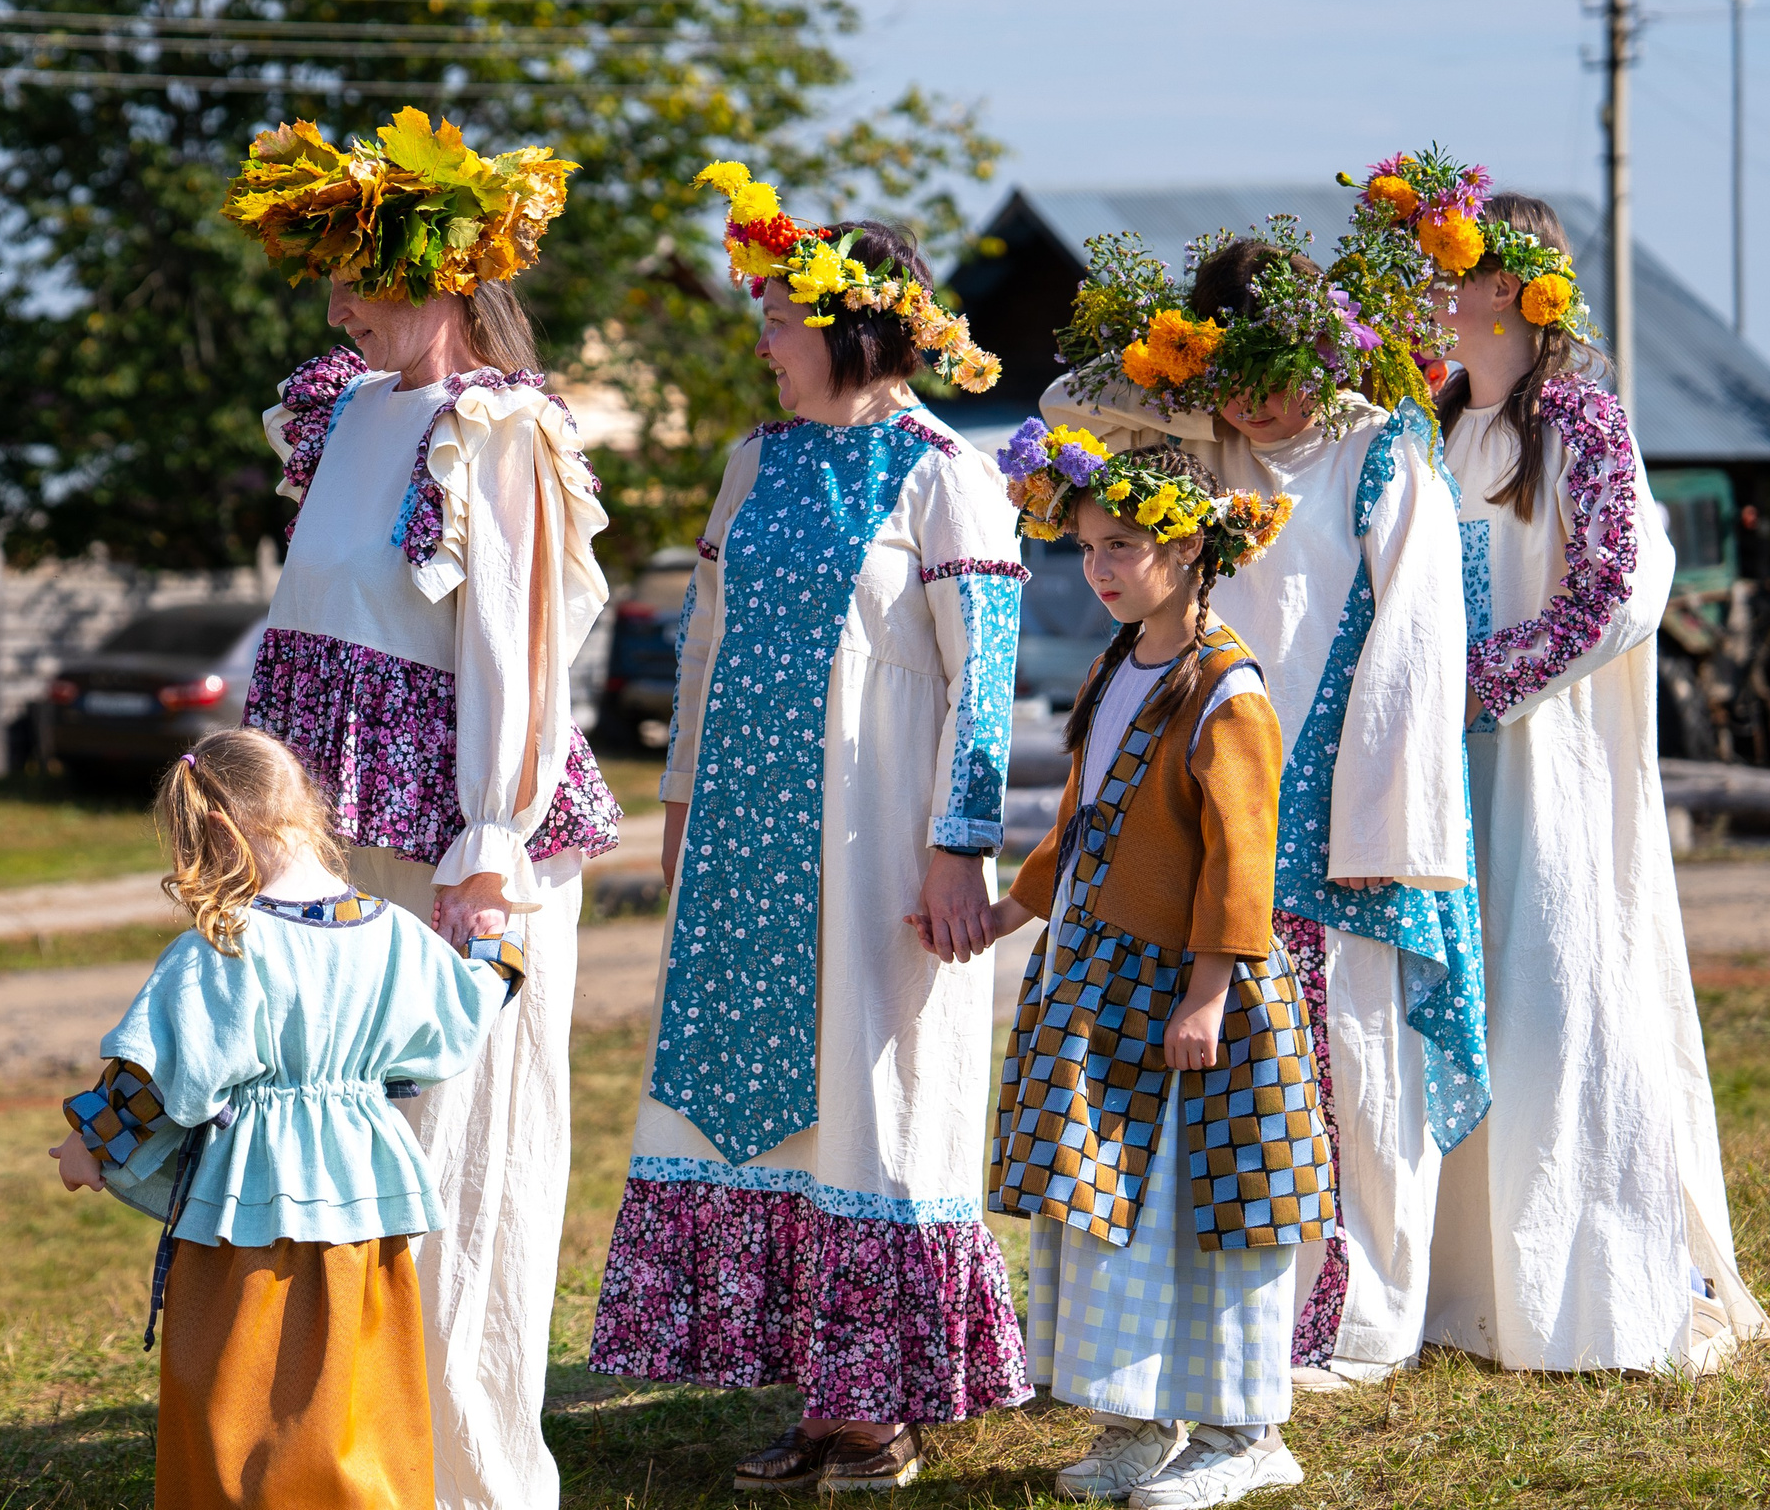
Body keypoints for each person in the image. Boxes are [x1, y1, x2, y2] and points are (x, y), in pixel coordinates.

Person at [588, 163, 1027, 1493]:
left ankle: (876, 1408)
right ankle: (817, 1399)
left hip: (884, 840)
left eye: (781, 317)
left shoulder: (947, 476)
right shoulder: (753, 464)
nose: (764, 339)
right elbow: (703, 645)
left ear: (850, 327)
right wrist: (676, 803)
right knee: (778, 1110)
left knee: (876, 1095)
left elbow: (986, 673)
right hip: (749, 838)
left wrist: (961, 844)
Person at [216, 112, 620, 1507]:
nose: (337, 304)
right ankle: (355, 1458)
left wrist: (492, 845)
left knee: (453, 1146)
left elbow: (517, 644)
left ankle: (469, 1474)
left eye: (361, 275)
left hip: (454, 840)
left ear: (448, 277)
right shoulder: (341, 410)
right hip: (335, 834)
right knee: (332, 1137)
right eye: (326, 274)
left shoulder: (494, 428)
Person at [1035, 208, 1481, 1389]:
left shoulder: (1383, 446)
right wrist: (1179, 372)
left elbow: (1419, 640)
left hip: (1345, 804)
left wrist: (1375, 820)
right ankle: (1248, 1316)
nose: (1253, 408)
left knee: (1354, 1057)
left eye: (1272, 379)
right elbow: (1063, 411)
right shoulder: (1210, 451)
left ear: (1320, 359)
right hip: (1218, 794)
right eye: (1223, 380)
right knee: (1248, 1066)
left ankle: (1369, 1316)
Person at [1422, 190, 1770, 1371]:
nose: (1434, 293)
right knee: (1452, 993)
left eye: (1451, 267)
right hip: (1429, 763)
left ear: (1516, 285)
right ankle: (1453, 1284)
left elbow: (1617, 588)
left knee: (1552, 982)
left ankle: (1582, 1286)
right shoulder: (1425, 425)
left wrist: (1479, 679)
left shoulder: (1581, 421)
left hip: (1540, 756)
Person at [49, 728, 528, 1510]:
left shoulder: (222, 948)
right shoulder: (395, 937)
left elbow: (157, 1071)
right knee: (356, 1394)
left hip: (250, 1213)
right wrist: (494, 943)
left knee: (240, 1399)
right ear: (306, 806)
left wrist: (88, 1143)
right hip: (364, 1210)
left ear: (212, 837)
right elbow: (470, 1007)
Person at [983, 434, 1328, 1507]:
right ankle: (1135, 1415)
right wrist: (1013, 905)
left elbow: (1241, 855)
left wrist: (1208, 992)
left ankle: (1243, 1431)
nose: (1098, 566)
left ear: (1186, 551)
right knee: (1107, 1202)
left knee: (1205, 1204)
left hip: (1189, 993)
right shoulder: (1117, 664)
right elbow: (1088, 818)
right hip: (1101, 981)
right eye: (1087, 547)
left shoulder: (1227, 690)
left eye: (1121, 545)